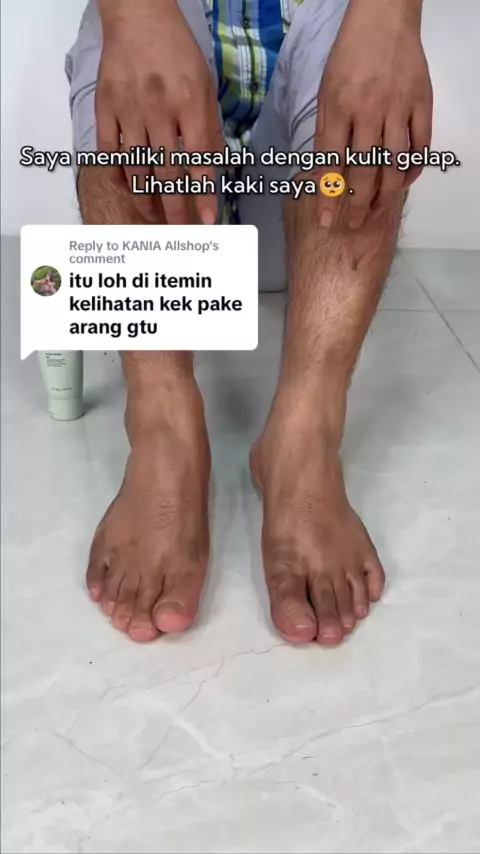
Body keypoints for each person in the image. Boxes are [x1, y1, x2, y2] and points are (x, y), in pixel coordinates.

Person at [66, 0, 433, 645]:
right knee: (117, 36)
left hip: (301, 215)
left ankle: (303, 440)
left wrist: (391, 18)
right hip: (173, 192)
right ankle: (164, 429)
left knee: (373, 92)